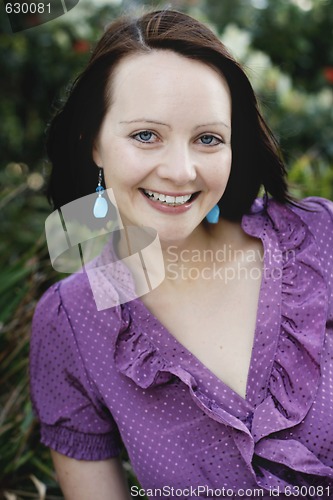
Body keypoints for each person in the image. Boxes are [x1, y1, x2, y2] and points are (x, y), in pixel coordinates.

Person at [30, 9, 333, 500]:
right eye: (146, 135)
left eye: (207, 138)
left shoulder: (321, 238)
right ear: (94, 145)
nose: (180, 170)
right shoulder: (71, 320)